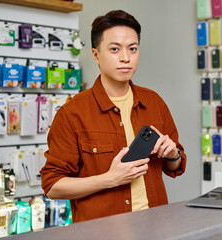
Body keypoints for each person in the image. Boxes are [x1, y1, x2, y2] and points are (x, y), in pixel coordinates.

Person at [40, 10, 187, 223]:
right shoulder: (72, 113)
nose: (125, 57)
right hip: (102, 232)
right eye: (115, 49)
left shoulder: (154, 102)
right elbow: (52, 186)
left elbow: (175, 166)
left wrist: (173, 154)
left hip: (156, 226)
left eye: (133, 49)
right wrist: (110, 179)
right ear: (96, 54)